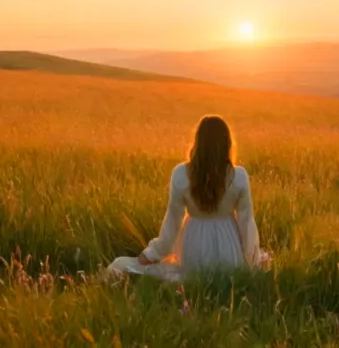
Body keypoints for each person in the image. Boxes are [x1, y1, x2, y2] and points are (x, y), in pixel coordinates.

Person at [106, 115, 267, 282]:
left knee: (188, 276)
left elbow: (173, 221)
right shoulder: (239, 176)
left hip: (194, 244)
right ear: (227, 144)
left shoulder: (181, 174)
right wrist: (253, 261)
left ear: (198, 142)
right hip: (229, 246)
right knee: (225, 279)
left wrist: (152, 253)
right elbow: (247, 223)